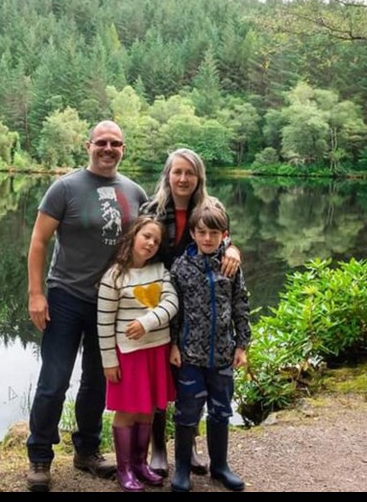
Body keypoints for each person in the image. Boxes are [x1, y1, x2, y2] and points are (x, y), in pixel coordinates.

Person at [26, 120, 149, 493]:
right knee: (54, 379)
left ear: (123, 149)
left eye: (116, 143)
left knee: (97, 380)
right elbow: (37, 242)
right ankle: (40, 457)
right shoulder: (65, 188)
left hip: (111, 304)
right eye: (102, 142)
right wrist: (36, 295)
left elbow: (155, 240)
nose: (108, 148)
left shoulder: (135, 192)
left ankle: (87, 451)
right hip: (65, 296)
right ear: (88, 145)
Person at [139, 148, 242, 477]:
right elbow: (138, 247)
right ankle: (158, 447)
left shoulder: (208, 210)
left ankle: (193, 446)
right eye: (177, 172)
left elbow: (224, 239)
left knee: (192, 383)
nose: (183, 178)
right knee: (159, 374)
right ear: (168, 175)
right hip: (157, 300)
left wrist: (235, 249)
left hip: (201, 304)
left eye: (190, 173)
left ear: (199, 178)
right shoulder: (151, 210)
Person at [168, 198, 251, 492]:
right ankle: (180, 470)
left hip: (223, 355)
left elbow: (241, 304)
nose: (207, 238)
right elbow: (173, 311)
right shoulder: (180, 267)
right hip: (190, 354)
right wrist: (174, 346)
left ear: (224, 235)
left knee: (221, 410)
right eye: (201, 232)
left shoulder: (230, 266)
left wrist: (242, 345)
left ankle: (220, 466)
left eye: (213, 234)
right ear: (192, 233)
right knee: (187, 411)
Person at [97, 215, 179, 491]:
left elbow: (171, 303)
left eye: (156, 241)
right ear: (133, 235)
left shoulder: (160, 271)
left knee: (149, 410)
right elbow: (104, 323)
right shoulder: (114, 276)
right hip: (128, 354)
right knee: (128, 411)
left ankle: (141, 464)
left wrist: (147, 322)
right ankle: (124, 470)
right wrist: (109, 360)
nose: (151, 243)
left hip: (156, 351)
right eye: (146, 236)